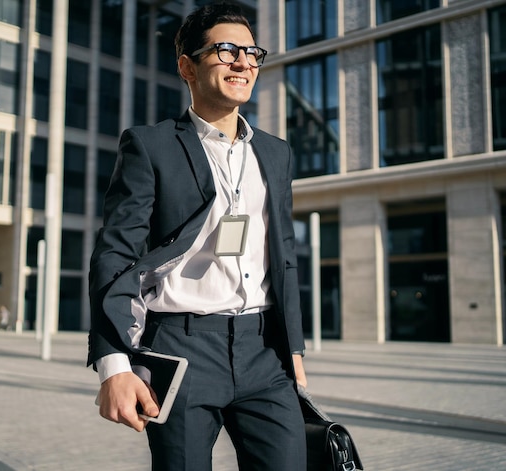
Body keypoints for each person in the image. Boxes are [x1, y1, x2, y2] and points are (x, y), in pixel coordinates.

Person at [88, 3, 307, 470]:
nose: (243, 62)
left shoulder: (277, 152)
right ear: (187, 66)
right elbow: (115, 254)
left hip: (264, 352)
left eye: (251, 53)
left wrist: (294, 349)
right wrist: (114, 365)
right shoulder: (152, 145)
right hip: (181, 348)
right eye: (226, 50)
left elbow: (283, 255)